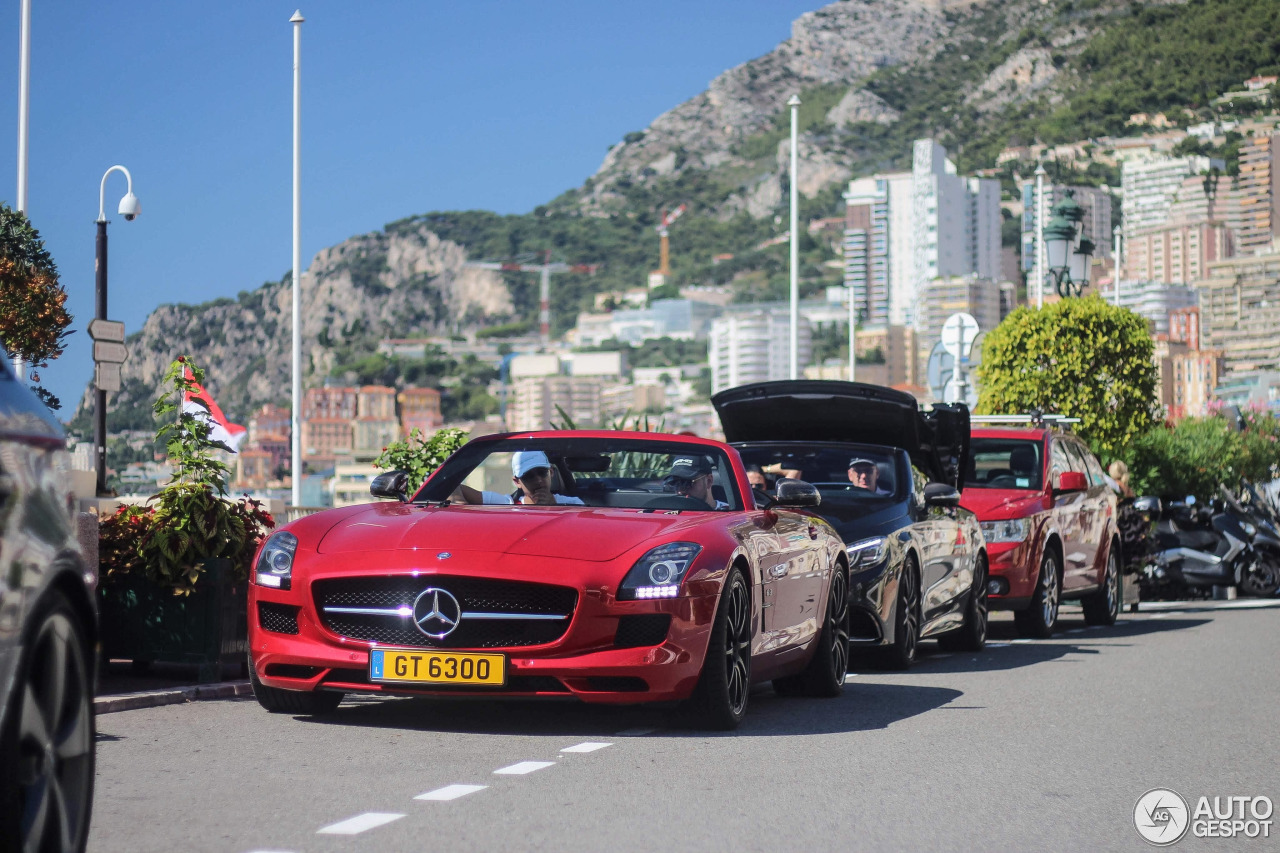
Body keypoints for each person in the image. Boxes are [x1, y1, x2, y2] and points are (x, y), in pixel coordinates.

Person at [453, 450, 585, 506]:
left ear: (551, 472)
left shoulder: (574, 504)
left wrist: (555, 506)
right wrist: (461, 506)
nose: (538, 479)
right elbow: (452, 486)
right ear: (517, 482)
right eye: (529, 476)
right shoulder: (507, 504)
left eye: (542, 472)